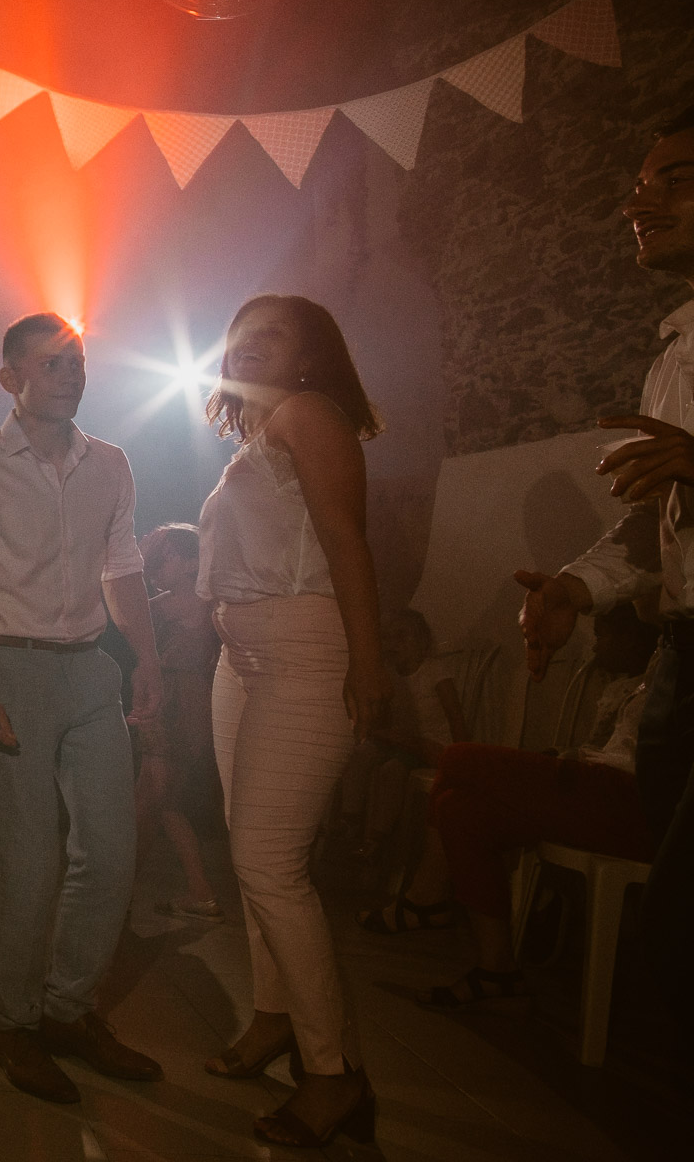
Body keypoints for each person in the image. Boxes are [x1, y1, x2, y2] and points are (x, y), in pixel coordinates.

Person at [0, 312, 165, 1106]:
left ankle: (67, 1011)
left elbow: (124, 563)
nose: (71, 375)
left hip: (90, 667)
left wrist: (149, 661)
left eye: (77, 362)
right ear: (10, 379)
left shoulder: (112, 464)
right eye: (52, 364)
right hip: (8, 665)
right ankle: (13, 1025)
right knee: (29, 863)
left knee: (114, 852)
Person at [516, 103, 694, 1031]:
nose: (643, 198)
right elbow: (648, 522)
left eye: (676, 179)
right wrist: (572, 590)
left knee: (674, 930)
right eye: (640, 181)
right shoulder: (676, 352)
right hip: (682, 658)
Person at [193, 294, 385, 1148]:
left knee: (269, 861)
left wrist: (371, 665)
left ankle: (334, 1076)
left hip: (307, 651)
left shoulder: (310, 413)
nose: (250, 344)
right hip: (243, 657)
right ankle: (273, 1013)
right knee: (250, 850)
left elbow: (348, 539)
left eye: (274, 333)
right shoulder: (253, 437)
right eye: (241, 333)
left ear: (312, 354)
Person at [363, 603, 658, 991]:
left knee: (458, 758)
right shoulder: (626, 684)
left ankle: (425, 898)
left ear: (637, 637)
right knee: (460, 808)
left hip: (634, 801)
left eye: (603, 635)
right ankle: (497, 973)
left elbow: (635, 764)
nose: (594, 645)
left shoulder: (672, 679)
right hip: (597, 786)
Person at [135, 523, 223, 922]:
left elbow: (127, 609)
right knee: (158, 804)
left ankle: (110, 892)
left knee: (155, 803)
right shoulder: (210, 601)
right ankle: (195, 891)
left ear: (191, 562)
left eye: (165, 555)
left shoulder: (180, 602)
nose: (158, 564)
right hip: (194, 707)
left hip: (175, 708)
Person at [333, 608, 467, 865]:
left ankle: (375, 838)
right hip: (397, 740)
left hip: (427, 745)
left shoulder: (435, 670)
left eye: (402, 636)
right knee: (359, 754)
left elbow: (456, 715)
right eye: (388, 637)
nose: (393, 644)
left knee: (392, 771)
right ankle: (350, 819)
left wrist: (461, 755)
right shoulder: (388, 674)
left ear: (422, 641)